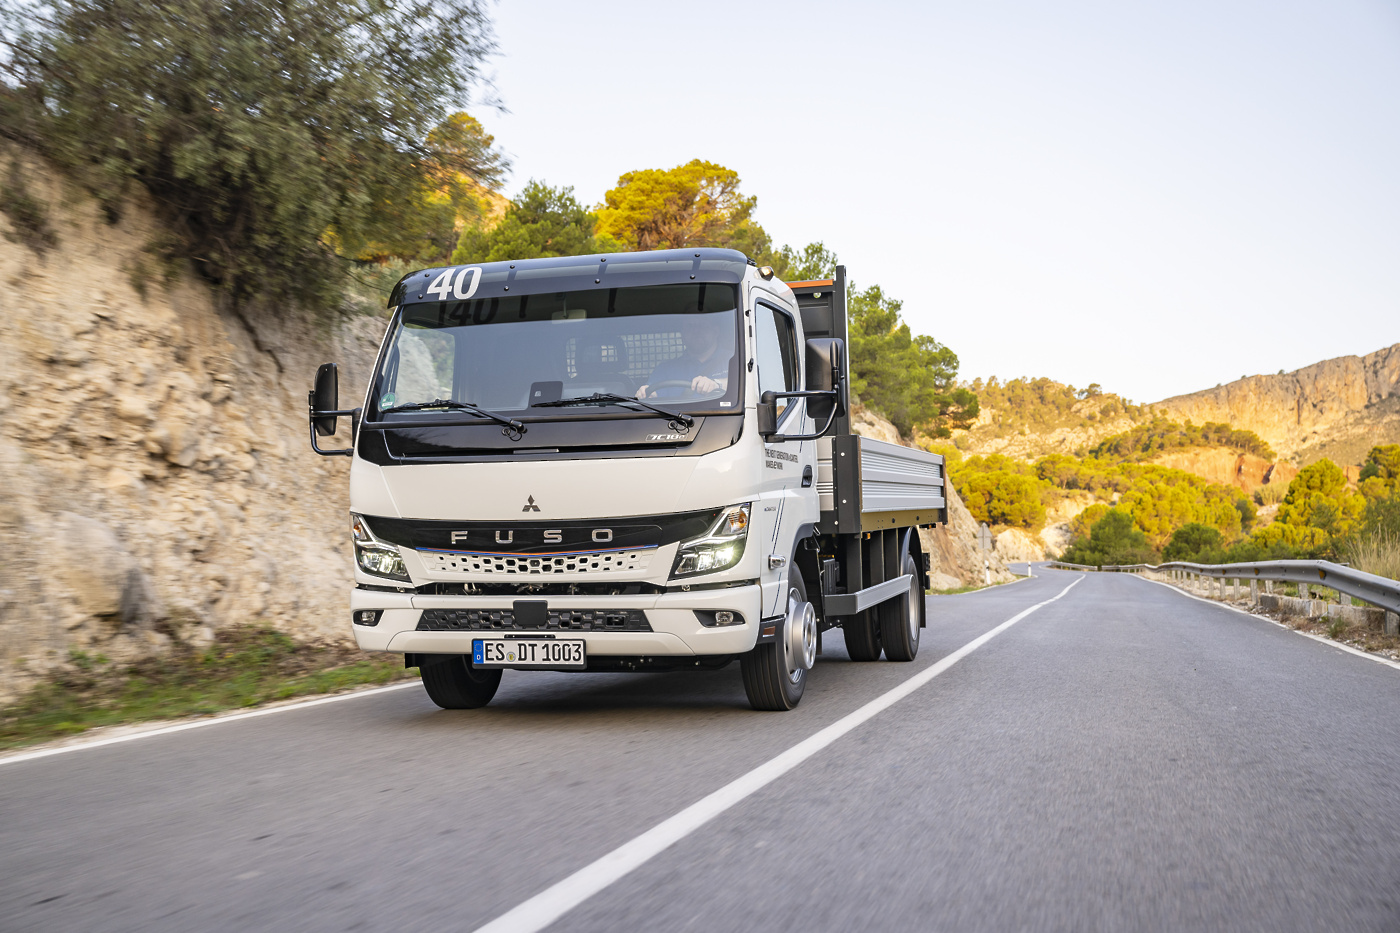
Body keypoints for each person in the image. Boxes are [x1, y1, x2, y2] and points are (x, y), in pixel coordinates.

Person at [636, 314, 733, 399]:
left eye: (703, 325)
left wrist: (717, 384)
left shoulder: (734, 359)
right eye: (690, 326)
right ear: (682, 333)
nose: (696, 330)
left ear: (716, 331)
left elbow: (746, 385)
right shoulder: (665, 370)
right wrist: (645, 394)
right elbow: (651, 396)